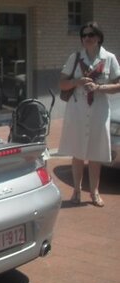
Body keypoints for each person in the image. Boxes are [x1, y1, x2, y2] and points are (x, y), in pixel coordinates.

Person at [58, 21, 120, 207]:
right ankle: (76, 192)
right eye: (84, 35)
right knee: (77, 153)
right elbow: (62, 83)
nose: (87, 38)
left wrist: (100, 87)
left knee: (95, 153)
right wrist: (77, 81)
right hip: (77, 111)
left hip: (99, 111)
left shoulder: (109, 58)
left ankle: (94, 192)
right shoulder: (75, 57)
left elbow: (118, 85)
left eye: (91, 35)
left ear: (99, 37)